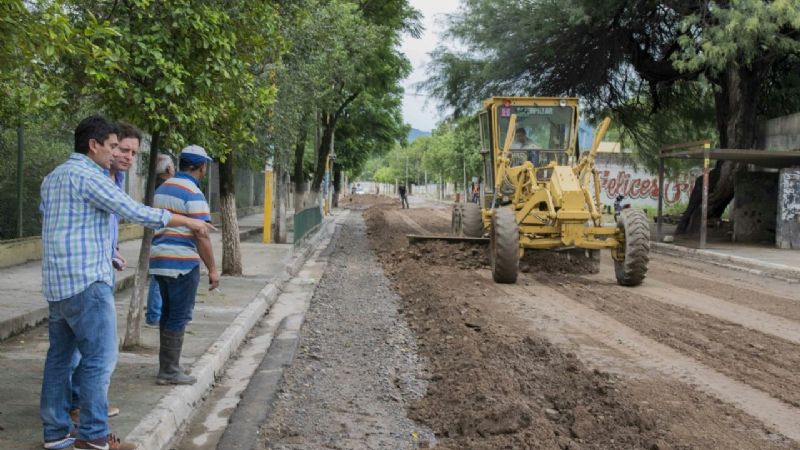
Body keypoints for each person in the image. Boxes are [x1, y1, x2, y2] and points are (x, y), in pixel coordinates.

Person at [40, 116, 214, 450]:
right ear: (94, 145)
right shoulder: (89, 176)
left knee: (59, 360)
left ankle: (57, 433)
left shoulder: (53, 177)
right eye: (112, 147)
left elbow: (51, 217)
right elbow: (135, 211)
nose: (115, 153)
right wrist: (188, 222)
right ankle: (93, 437)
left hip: (56, 284)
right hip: (88, 282)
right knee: (99, 360)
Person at [66, 122, 142, 432]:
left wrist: (113, 250)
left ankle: (85, 404)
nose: (127, 157)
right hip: (83, 274)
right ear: (102, 146)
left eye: (133, 152)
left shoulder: (117, 178)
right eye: (121, 149)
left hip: (101, 267)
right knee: (92, 351)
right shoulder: (88, 177)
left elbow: (104, 224)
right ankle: (81, 412)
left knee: (93, 347)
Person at [149, 145, 219, 385]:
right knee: (179, 315)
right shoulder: (193, 192)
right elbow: (201, 234)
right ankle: (169, 371)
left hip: (159, 260)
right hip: (182, 262)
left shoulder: (162, 188)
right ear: (202, 167)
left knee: (167, 313)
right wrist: (212, 268)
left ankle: (167, 366)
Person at [144, 154, 176, 328]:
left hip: (155, 234)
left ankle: (155, 314)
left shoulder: (152, 186)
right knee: (159, 277)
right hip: (163, 234)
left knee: (158, 276)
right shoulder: (167, 187)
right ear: (169, 169)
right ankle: (155, 314)